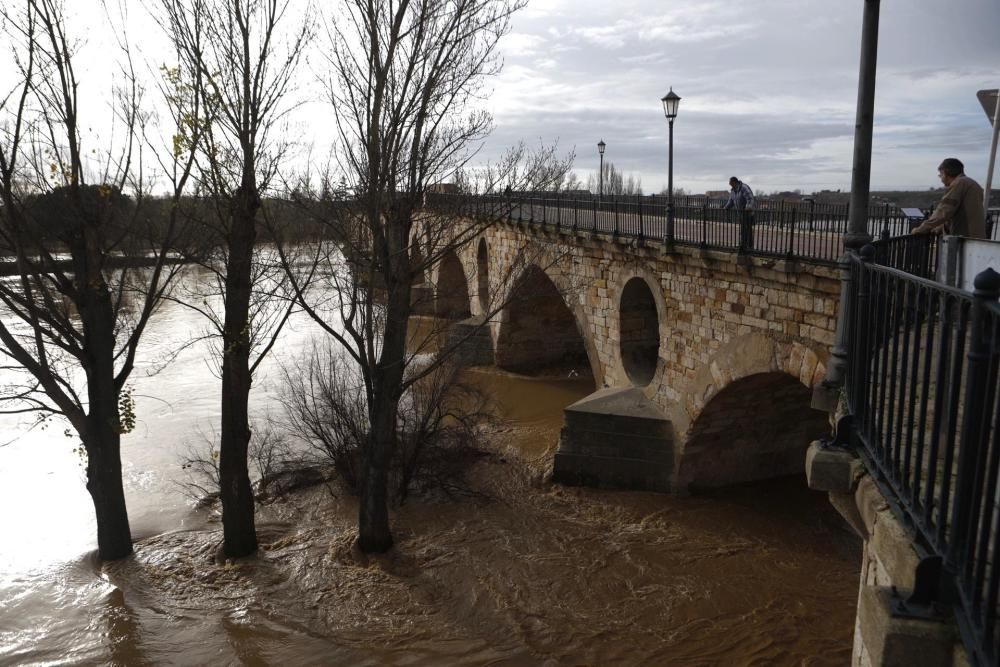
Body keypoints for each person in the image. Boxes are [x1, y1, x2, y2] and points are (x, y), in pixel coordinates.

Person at [912, 158, 986, 238]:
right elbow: (960, 213)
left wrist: (921, 228)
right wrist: (941, 227)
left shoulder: (959, 183)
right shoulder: (972, 184)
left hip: (965, 240)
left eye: (940, 175)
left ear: (945, 173)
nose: (941, 179)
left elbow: (944, 211)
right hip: (976, 237)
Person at [723, 176, 755, 251]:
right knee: (744, 229)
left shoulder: (743, 188)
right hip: (740, 213)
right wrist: (726, 207)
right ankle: (743, 245)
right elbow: (731, 201)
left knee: (747, 229)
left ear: (735, 182)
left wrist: (748, 207)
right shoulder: (733, 190)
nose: (730, 185)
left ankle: (748, 246)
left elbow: (750, 198)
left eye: (731, 183)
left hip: (747, 213)